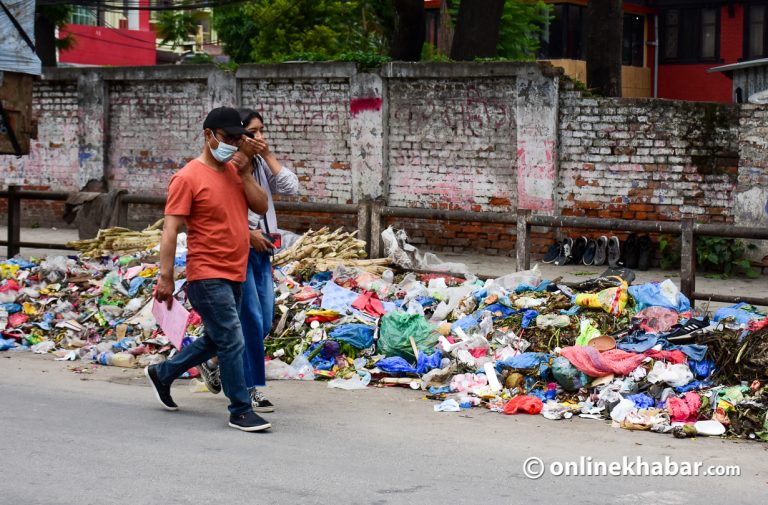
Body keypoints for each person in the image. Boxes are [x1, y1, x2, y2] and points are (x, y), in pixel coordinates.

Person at [144, 106, 272, 432]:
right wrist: (166, 276)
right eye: (228, 137)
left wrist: (244, 174)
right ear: (208, 136)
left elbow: (260, 205)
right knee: (233, 339)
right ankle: (240, 409)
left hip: (235, 272)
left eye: (237, 138)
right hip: (206, 275)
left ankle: (163, 373)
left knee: (217, 340)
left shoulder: (233, 172)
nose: (233, 143)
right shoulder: (187, 177)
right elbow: (170, 230)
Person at [197, 109, 299, 413]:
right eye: (252, 133)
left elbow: (291, 187)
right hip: (239, 251)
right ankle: (249, 388)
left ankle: (210, 362)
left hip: (265, 250)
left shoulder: (259, 165)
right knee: (252, 322)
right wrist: (247, 231)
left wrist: (266, 155)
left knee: (264, 319)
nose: (259, 138)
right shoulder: (227, 167)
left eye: (261, 132)